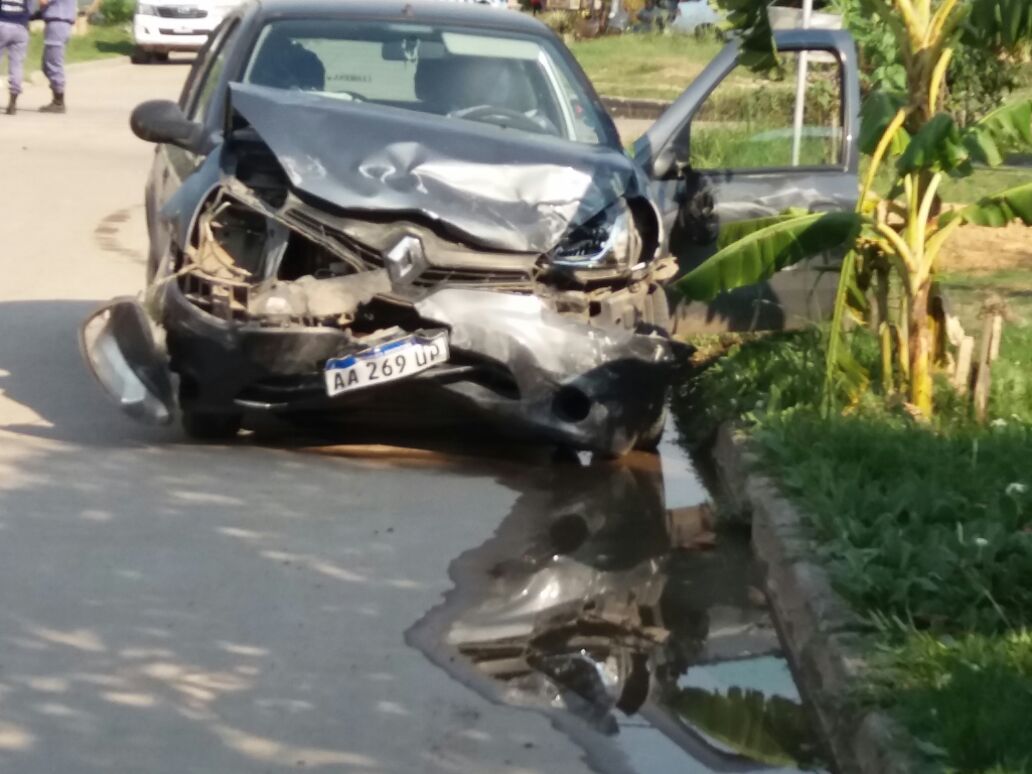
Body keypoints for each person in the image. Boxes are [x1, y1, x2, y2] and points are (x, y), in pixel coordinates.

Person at [38, 0, 75, 113]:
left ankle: (58, 101)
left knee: (53, 63)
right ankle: (57, 95)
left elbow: (43, 1)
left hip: (57, 22)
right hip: (59, 23)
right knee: (47, 65)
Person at [0, 0, 31, 115]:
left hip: (2, 23)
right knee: (17, 65)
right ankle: (13, 103)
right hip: (20, 28)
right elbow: (29, 9)